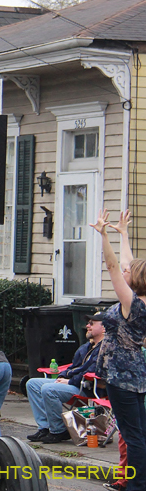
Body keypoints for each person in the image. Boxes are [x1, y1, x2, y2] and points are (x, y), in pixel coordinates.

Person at [90, 209, 146, 491]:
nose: (125, 271)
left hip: (121, 375)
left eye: (129, 273)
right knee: (138, 432)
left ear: (134, 280)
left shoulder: (132, 304)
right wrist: (123, 234)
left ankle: (137, 484)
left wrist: (104, 236)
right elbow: (127, 263)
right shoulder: (141, 299)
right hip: (134, 373)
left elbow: (114, 268)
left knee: (132, 434)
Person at [26, 312, 105, 443]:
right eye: (88, 323)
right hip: (74, 384)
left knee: (48, 389)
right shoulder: (86, 347)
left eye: (92, 323)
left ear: (104, 328)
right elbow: (73, 366)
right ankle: (45, 427)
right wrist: (63, 376)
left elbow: (92, 370)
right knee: (32, 384)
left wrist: (69, 381)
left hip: (88, 388)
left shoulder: (106, 349)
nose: (87, 326)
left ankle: (59, 430)